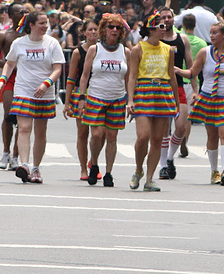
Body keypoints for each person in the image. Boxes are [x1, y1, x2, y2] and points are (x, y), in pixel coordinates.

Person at [0, 10, 65, 183]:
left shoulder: (52, 43)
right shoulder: (19, 43)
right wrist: (2, 80)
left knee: (41, 132)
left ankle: (36, 168)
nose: (45, 26)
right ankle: (24, 164)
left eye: (46, 23)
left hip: (45, 93)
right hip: (23, 90)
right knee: (24, 128)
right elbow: (9, 64)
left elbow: (57, 68)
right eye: (41, 23)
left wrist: (46, 83)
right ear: (31, 25)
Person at [175, 20, 224, 185]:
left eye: (215, 33)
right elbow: (192, 72)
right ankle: (214, 171)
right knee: (212, 135)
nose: (211, 36)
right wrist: (178, 70)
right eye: (211, 33)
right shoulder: (205, 52)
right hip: (208, 98)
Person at [127, 12, 179, 192]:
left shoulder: (168, 49)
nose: (164, 29)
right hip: (144, 90)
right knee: (143, 137)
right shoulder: (138, 48)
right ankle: (138, 169)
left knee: (158, 139)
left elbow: (172, 76)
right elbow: (132, 75)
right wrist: (130, 100)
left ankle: (149, 178)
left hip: (163, 92)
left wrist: (177, 102)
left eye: (166, 26)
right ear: (151, 29)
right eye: (161, 26)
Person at [78, 13, 131, 187]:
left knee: (112, 136)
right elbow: (85, 76)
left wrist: (131, 101)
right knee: (97, 134)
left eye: (118, 28)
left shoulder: (125, 51)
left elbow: (129, 79)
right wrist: (81, 98)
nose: (114, 30)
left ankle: (109, 172)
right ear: (104, 30)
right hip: (96, 96)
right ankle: (93, 164)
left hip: (117, 98)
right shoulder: (95, 49)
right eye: (110, 27)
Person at [154, 6, 195, 179]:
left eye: (169, 17)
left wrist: (195, 90)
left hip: (179, 86)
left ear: (173, 19)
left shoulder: (182, 39)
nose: (167, 19)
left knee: (181, 126)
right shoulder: (156, 40)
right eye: (163, 17)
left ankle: (170, 158)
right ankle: (163, 165)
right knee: (164, 129)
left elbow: (191, 67)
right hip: (161, 87)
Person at [0, 3, 29, 170]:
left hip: (27, 78)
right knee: (8, 114)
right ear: (12, 15)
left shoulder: (30, 36)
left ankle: (15, 155)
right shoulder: (3, 35)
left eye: (26, 12)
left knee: (23, 118)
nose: (24, 14)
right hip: (10, 77)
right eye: (21, 12)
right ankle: (5, 152)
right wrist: (8, 65)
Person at [63, 19, 101, 180]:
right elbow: (71, 78)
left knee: (100, 132)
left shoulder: (104, 49)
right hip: (81, 92)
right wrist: (67, 102)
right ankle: (83, 168)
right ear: (84, 33)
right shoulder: (79, 52)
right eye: (90, 30)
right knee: (83, 133)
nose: (93, 32)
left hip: (100, 92)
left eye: (96, 29)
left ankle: (94, 161)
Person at [179, 13, 208, 157]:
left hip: (177, 79)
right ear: (195, 25)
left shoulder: (179, 38)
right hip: (192, 80)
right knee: (188, 115)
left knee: (173, 114)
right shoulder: (202, 43)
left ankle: (174, 137)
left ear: (183, 25)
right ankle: (185, 139)